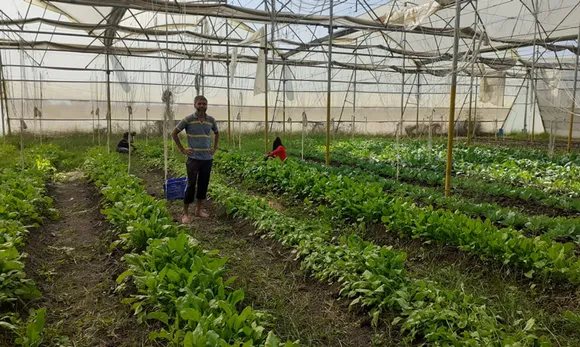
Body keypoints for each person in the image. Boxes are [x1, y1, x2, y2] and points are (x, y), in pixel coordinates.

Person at [171, 95, 219, 223]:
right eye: (199, 104)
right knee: (191, 185)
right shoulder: (188, 120)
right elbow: (174, 133)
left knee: (203, 184)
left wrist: (214, 148)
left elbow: (216, 132)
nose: (202, 106)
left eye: (204, 104)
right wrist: (182, 149)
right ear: (195, 105)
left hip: (207, 159)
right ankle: (185, 213)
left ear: (207, 105)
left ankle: (198, 210)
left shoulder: (211, 120)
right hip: (193, 158)